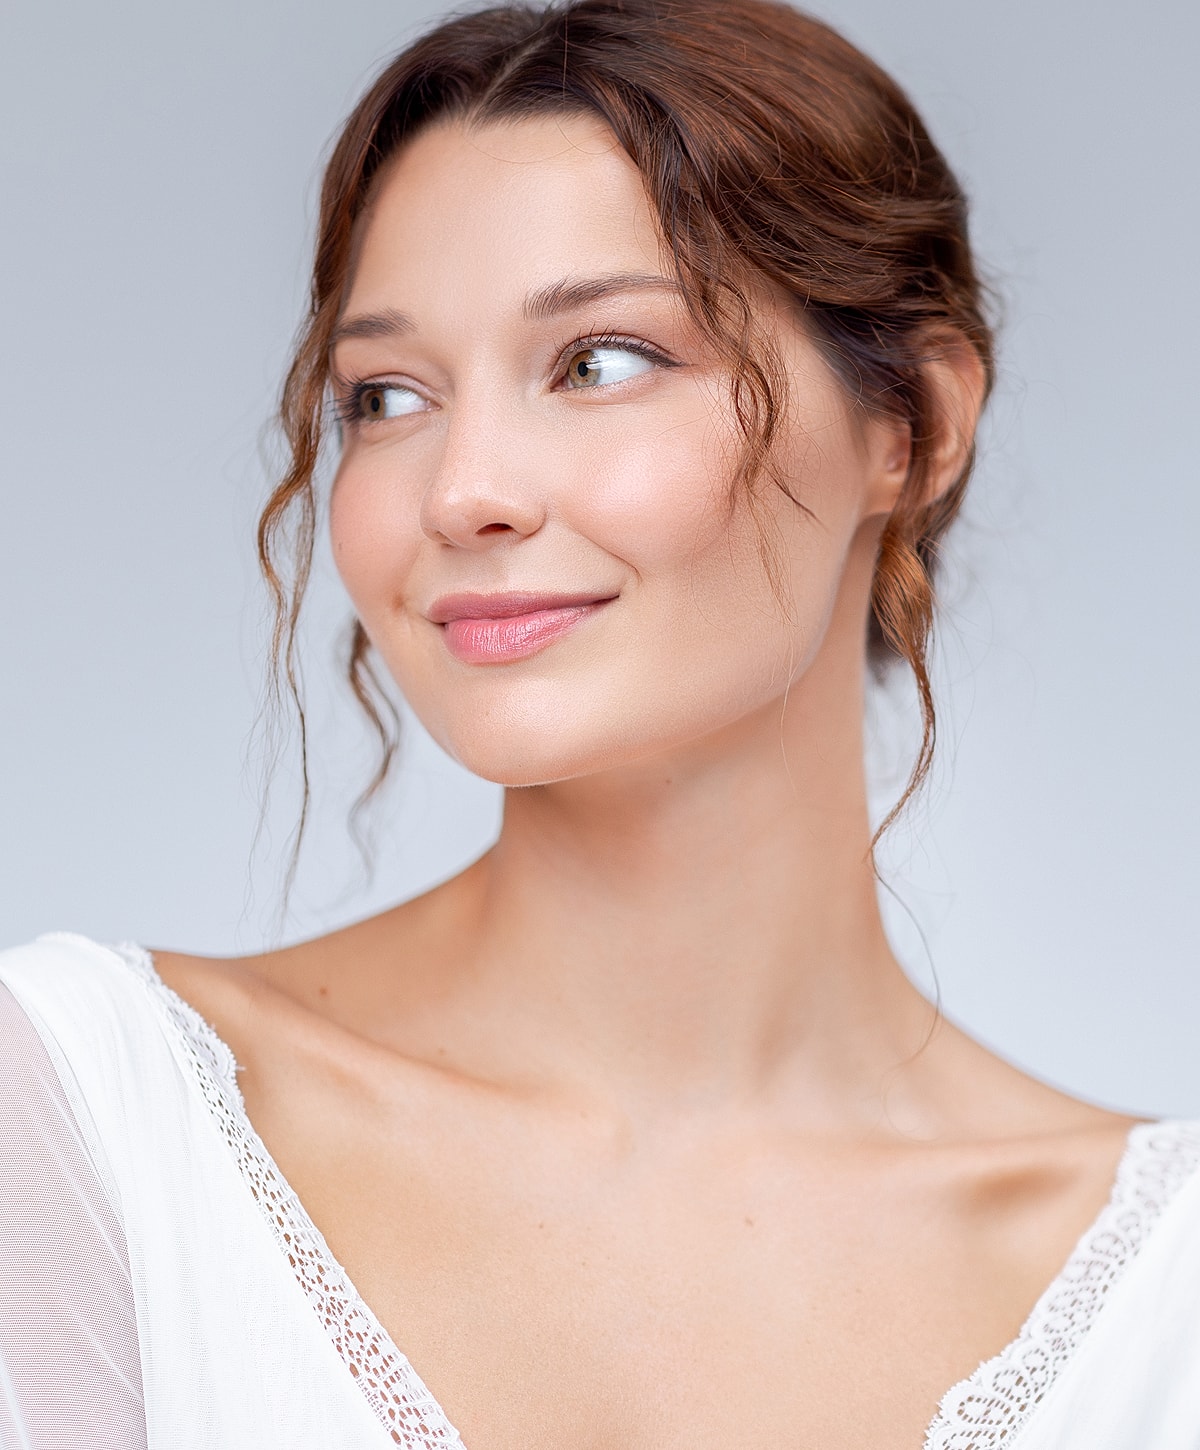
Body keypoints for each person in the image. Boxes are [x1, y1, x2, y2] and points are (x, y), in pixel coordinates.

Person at [2, 1, 1197, 1446]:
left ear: (914, 429)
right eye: (387, 394)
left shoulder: (1164, 1316)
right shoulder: (86, 1126)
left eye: (601, 361)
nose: (463, 492)